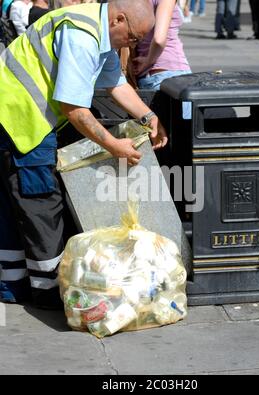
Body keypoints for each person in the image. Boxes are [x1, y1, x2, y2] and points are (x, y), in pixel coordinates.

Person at [0, 0, 167, 308]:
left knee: (13, 204)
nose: (133, 45)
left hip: (18, 113)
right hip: (19, 119)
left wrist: (148, 116)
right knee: (40, 202)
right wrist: (114, 146)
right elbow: (74, 108)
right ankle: (50, 291)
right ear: (118, 20)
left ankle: (11, 285)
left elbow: (115, 82)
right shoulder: (82, 34)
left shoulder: (99, 29)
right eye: (132, 37)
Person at [133, 0, 192, 120]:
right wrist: (147, 61)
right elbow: (159, 39)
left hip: (147, 77)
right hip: (171, 73)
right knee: (185, 130)